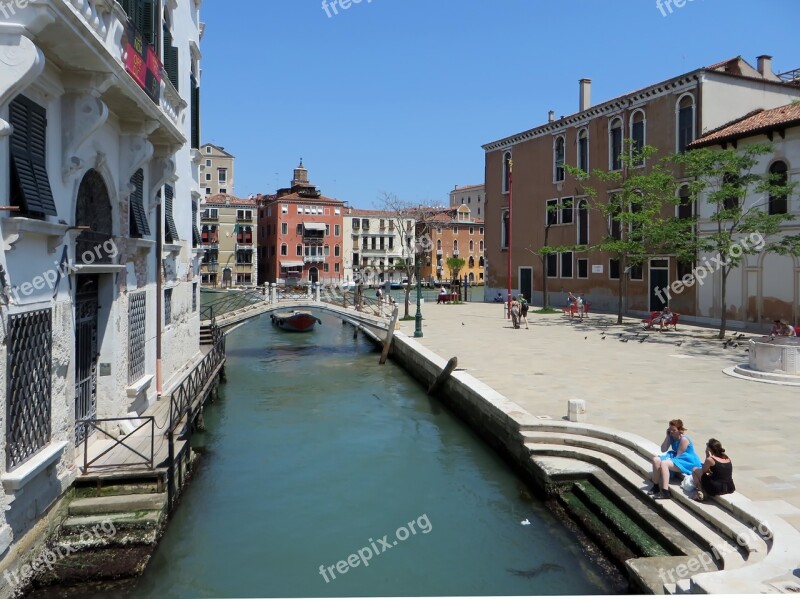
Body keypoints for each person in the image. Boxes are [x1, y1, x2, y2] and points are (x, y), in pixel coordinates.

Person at [649, 419, 703, 500]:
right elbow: (663, 449)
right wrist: (667, 436)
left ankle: (665, 492)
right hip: (677, 457)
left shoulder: (684, 439)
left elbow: (679, 455)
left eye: (674, 430)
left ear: (679, 430)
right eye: (670, 429)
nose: (671, 432)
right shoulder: (671, 436)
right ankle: (655, 486)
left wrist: (666, 461)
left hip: (687, 461)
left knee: (664, 463)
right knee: (656, 460)